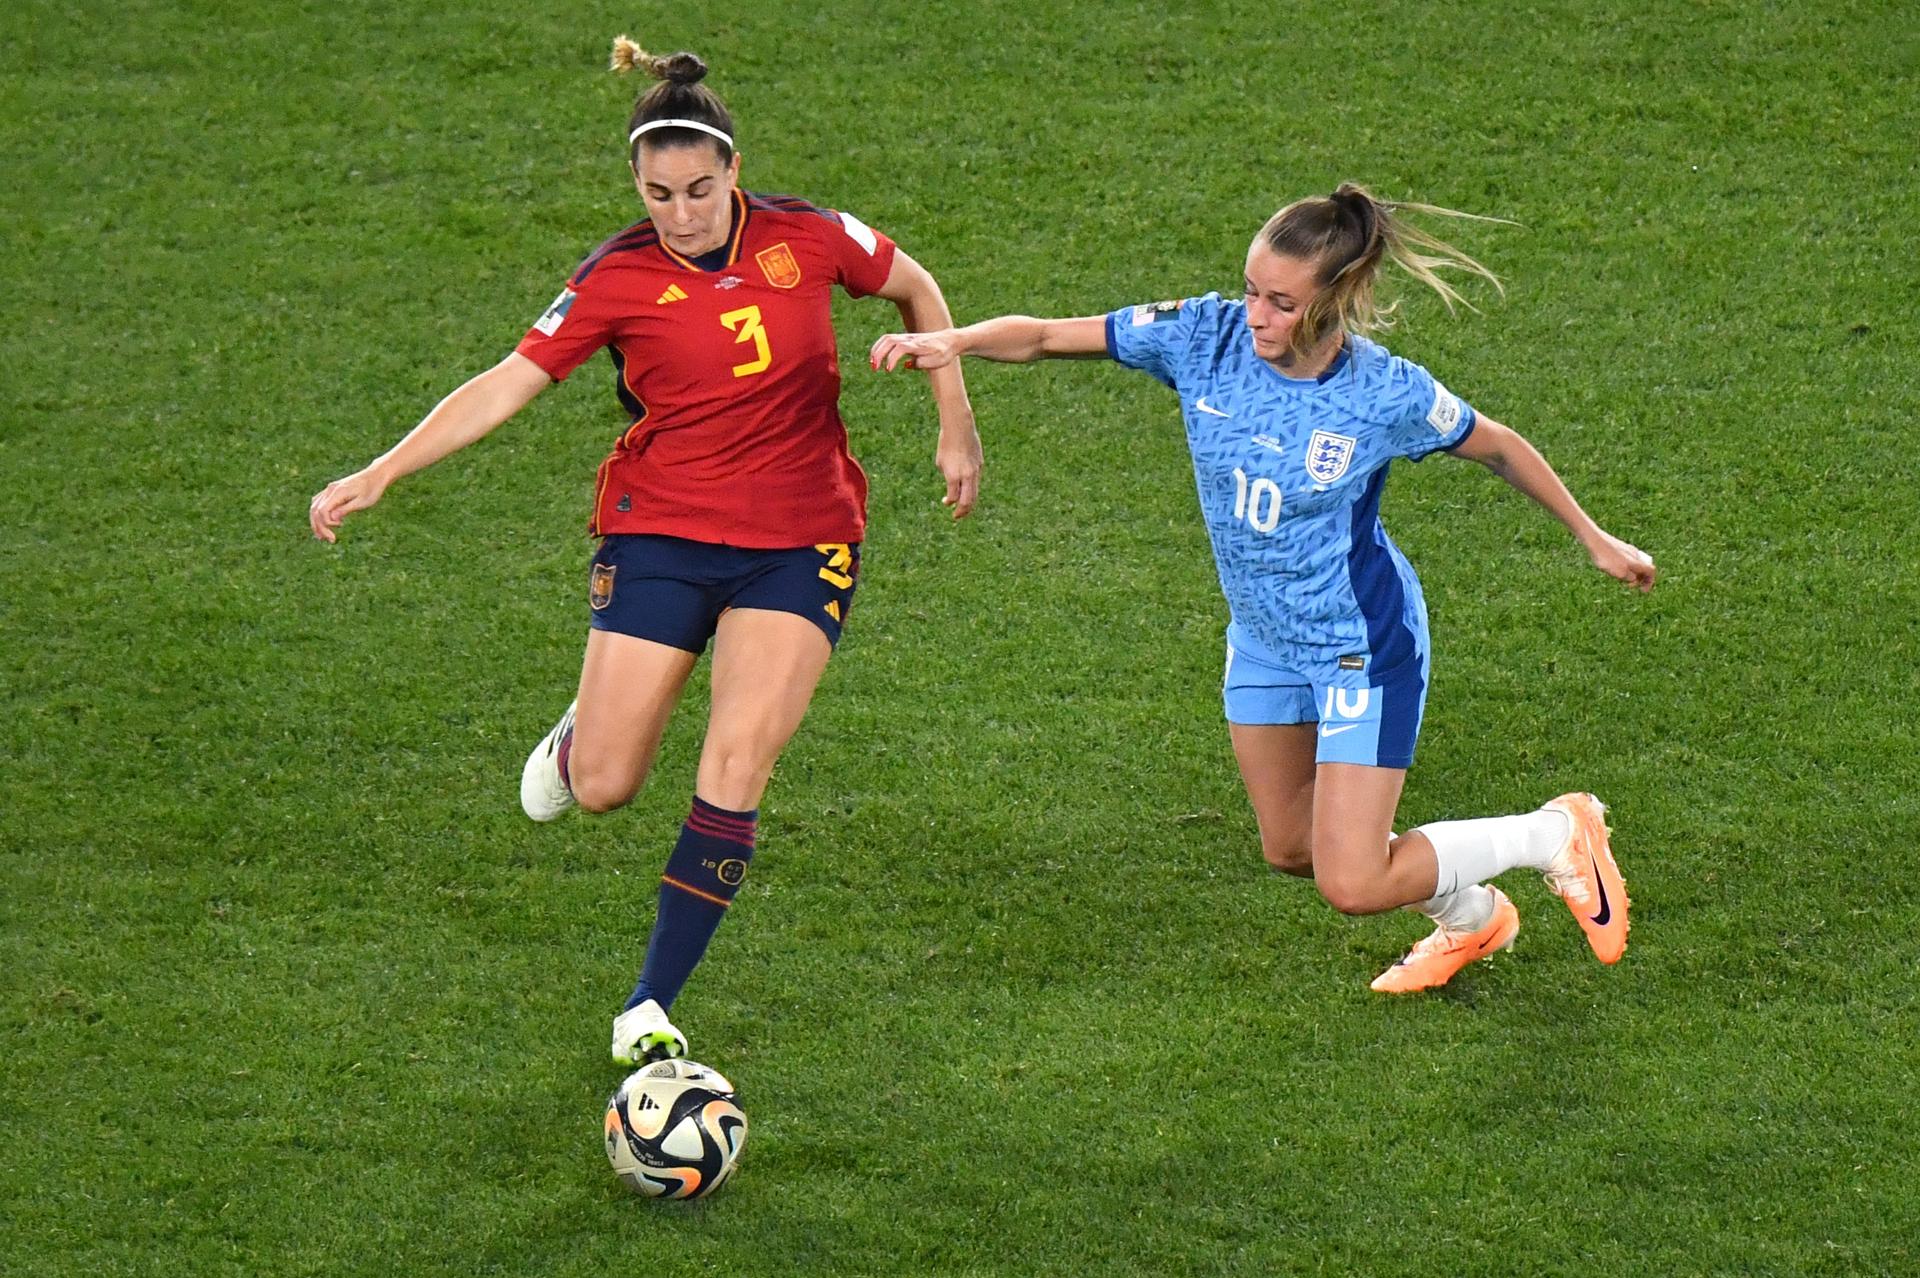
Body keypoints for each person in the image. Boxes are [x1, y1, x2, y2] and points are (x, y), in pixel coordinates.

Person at [310, 37, 982, 1059]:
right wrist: (384, 469)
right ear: (638, 182)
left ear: (734, 173)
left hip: (799, 542)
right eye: (659, 192)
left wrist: (955, 416)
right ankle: (589, 728)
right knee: (607, 785)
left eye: (700, 190)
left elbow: (919, 289)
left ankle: (648, 1002)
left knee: (735, 761)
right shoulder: (615, 278)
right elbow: (509, 380)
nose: (680, 214)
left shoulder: (810, 236)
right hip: (660, 532)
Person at [871, 183, 1655, 993]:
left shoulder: (1382, 392)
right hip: (1263, 638)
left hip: (1357, 644)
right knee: (1290, 847)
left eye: (1281, 303)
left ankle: (1554, 831)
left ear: (1334, 301)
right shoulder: (1204, 334)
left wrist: (1592, 537)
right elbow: (1042, 337)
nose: (1256, 315)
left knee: (1351, 882)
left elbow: (1497, 447)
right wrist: (955, 341)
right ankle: (1474, 919)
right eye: (1252, 290)